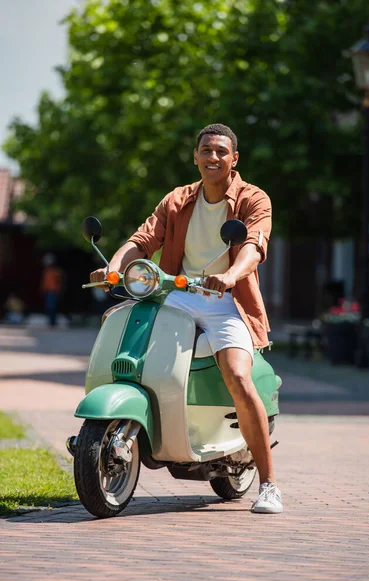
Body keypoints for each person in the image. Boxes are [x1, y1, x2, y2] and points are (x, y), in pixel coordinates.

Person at [90, 123, 283, 514]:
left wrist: (229, 275)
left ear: (234, 159)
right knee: (135, 340)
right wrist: (113, 268)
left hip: (227, 301)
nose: (213, 157)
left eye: (221, 152)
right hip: (177, 295)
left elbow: (254, 244)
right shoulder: (177, 199)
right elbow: (143, 240)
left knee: (238, 376)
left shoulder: (252, 198)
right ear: (195, 156)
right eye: (206, 151)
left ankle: (269, 484)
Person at [40, 254, 65, 327]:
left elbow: (60, 281)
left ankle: (53, 322)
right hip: (48, 291)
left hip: (53, 291)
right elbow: (44, 282)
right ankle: (51, 322)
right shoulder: (46, 271)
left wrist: (59, 290)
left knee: (52, 307)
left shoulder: (56, 271)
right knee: (49, 307)